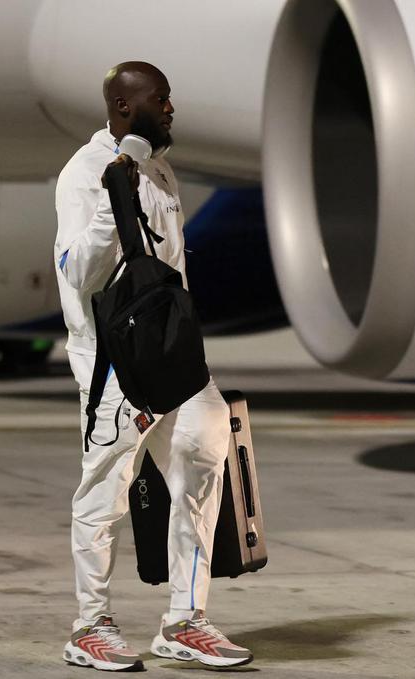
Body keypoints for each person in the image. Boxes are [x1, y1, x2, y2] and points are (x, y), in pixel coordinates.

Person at [53, 61, 253, 671]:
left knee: (203, 463)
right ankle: (90, 626)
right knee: (105, 491)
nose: (169, 107)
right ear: (123, 106)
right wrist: (114, 202)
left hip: (174, 355)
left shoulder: (160, 169)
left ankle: (184, 620)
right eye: (159, 98)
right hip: (115, 363)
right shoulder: (85, 172)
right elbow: (78, 273)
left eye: (168, 97)